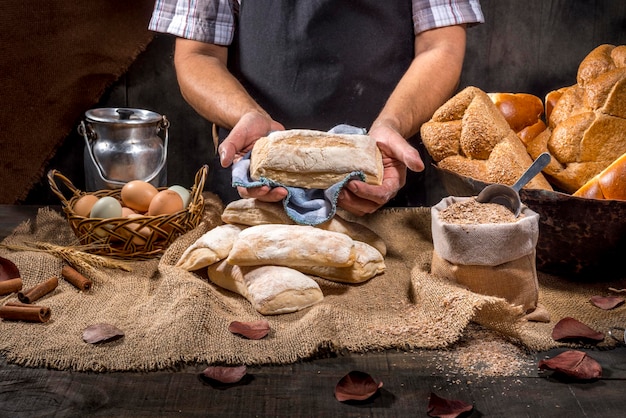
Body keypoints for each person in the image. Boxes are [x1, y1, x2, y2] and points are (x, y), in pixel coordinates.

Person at [149, 1, 484, 216]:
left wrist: (392, 124)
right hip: (256, 200)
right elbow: (198, 54)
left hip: (386, 192)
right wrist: (246, 116)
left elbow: (441, 46)